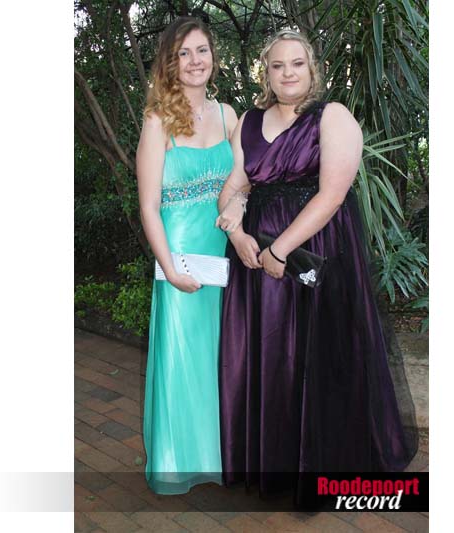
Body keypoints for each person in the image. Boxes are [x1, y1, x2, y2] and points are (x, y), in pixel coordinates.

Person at [215, 29, 417, 501]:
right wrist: (237, 234)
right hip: (253, 258)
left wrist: (280, 251)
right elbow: (236, 186)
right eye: (277, 66)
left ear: (312, 69)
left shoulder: (333, 117)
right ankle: (272, 467)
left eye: (296, 64)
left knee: (316, 356)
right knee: (268, 358)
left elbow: (332, 195)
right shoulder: (249, 120)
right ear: (265, 73)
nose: (287, 73)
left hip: (314, 253)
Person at [136, 16, 237, 495]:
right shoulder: (157, 121)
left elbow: (244, 182)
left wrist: (238, 206)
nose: (195, 61)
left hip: (222, 252)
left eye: (202, 51)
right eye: (184, 53)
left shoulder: (229, 115)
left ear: (213, 56)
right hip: (177, 256)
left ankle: (220, 457)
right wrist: (170, 268)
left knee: (222, 354)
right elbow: (149, 206)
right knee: (182, 356)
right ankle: (178, 463)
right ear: (170, 63)